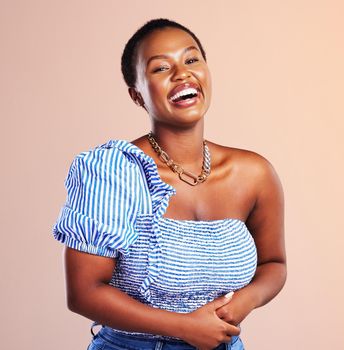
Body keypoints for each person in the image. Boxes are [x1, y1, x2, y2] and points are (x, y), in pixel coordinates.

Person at [52, 18, 286, 350]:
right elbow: (83, 292)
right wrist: (185, 328)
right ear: (137, 95)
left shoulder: (254, 173)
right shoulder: (112, 172)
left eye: (192, 60)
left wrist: (244, 302)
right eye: (161, 68)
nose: (181, 73)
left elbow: (274, 265)